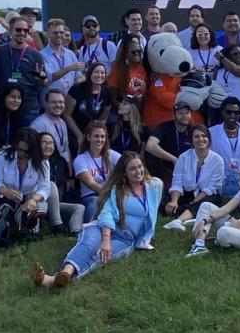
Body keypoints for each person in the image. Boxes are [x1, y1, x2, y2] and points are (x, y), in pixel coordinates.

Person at [31, 152, 162, 288]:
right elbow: (106, 213)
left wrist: (146, 235)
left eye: (140, 166)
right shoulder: (117, 190)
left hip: (126, 238)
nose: (138, 171)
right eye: (132, 169)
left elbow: (153, 213)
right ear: (124, 173)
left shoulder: (155, 186)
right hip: (103, 227)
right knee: (88, 244)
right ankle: (65, 273)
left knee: (100, 256)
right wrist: (105, 240)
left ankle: (53, 280)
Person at [0, 127, 51, 245]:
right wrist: (5, 191)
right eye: (19, 149)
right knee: (3, 205)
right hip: (4, 198)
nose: (21, 153)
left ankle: (29, 233)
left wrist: (33, 199)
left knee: (39, 207)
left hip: (28, 198)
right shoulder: (2, 156)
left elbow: (45, 188)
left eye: (26, 151)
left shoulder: (42, 162)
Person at [162, 125, 225, 230]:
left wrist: (194, 202)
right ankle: (194, 215)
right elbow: (177, 182)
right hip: (187, 194)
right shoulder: (183, 158)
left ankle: (178, 220)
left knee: (210, 201)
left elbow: (211, 188)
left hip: (205, 196)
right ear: (191, 140)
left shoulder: (218, 160)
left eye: (204, 136)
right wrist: (174, 201)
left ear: (209, 139)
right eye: (196, 137)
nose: (201, 139)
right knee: (165, 201)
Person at [0, 13, 48, 125]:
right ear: (10, 31)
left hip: (28, 107)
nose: (22, 33)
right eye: (18, 30)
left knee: (26, 141)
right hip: (3, 106)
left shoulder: (36, 55)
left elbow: (44, 81)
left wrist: (41, 78)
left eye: (25, 30)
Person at [37, 129, 86, 236]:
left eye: (50, 143)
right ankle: (57, 225)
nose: (47, 146)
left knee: (80, 207)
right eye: (44, 143)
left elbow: (62, 185)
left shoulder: (59, 162)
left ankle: (75, 232)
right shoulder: (34, 163)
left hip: (54, 204)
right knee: (51, 184)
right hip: (38, 203)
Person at [209, 96, 240, 198]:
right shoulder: (211, 132)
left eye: (236, 113)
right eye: (229, 112)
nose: (232, 115)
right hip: (220, 176)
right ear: (222, 112)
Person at [73, 121, 121, 222]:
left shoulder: (111, 154)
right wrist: (109, 194)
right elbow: (91, 183)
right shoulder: (81, 159)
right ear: (89, 137)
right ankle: (90, 226)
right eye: (96, 136)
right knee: (96, 201)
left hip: (111, 193)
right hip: (91, 196)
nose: (100, 140)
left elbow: (126, 165)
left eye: (103, 136)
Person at [144, 100, 195, 186]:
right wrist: (173, 159)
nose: (184, 116)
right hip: (164, 171)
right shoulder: (164, 127)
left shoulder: (192, 130)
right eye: (180, 113)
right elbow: (150, 145)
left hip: (186, 171)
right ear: (174, 115)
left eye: (187, 113)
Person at [67, 61, 113, 144]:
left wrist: (95, 133)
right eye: (96, 72)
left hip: (92, 132)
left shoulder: (107, 92)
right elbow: (66, 115)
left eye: (102, 73)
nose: (99, 75)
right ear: (90, 73)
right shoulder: (77, 89)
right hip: (75, 129)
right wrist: (79, 135)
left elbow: (103, 118)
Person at [41, 17, 86, 98]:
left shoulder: (70, 54)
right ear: (47, 33)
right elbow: (50, 77)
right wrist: (69, 68)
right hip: (51, 102)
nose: (59, 35)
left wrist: (76, 83)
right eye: (55, 33)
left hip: (69, 101)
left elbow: (80, 76)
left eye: (61, 32)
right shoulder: (42, 55)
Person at [31, 90, 74, 168]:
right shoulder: (39, 124)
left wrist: (69, 169)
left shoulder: (62, 123)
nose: (58, 105)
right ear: (46, 104)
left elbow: (65, 148)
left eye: (61, 102)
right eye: (53, 102)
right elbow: (35, 152)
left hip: (61, 168)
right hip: (46, 168)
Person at [107, 32, 148, 105]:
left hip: (141, 110)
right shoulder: (118, 70)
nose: (137, 54)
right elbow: (113, 96)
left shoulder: (144, 68)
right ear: (126, 52)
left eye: (139, 51)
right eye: (133, 52)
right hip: (124, 110)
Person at [215, 44, 240, 113]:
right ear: (227, 55)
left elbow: (235, 70)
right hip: (221, 108)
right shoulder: (218, 70)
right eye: (235, 54)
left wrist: (222, 58)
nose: (239, 56)